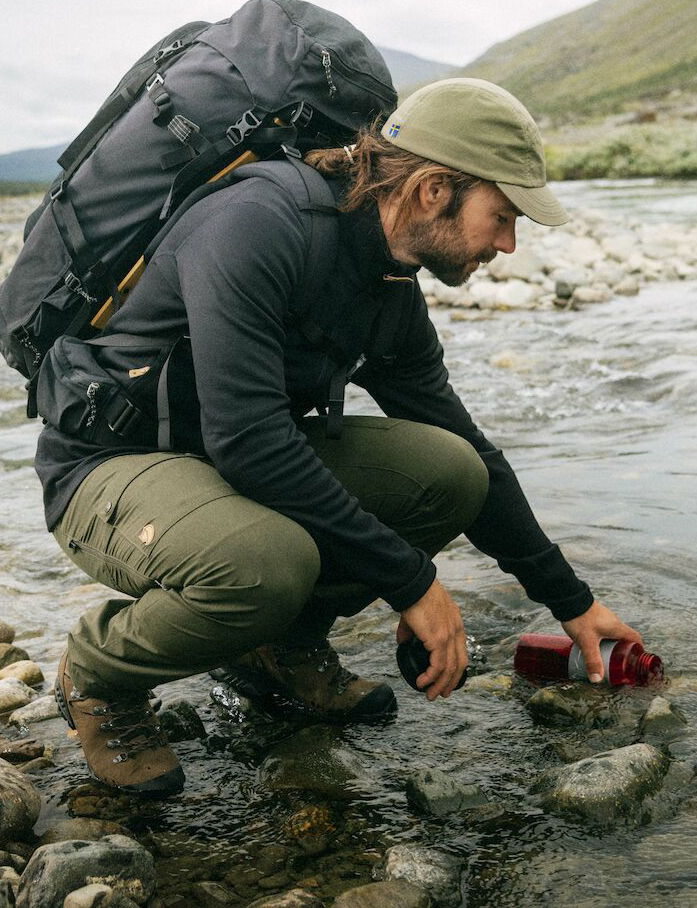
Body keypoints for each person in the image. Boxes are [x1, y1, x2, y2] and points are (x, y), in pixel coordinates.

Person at [43, 77, 641, 795]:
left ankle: (280, 648)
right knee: (265, 562)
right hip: (113, 466)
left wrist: (571, 602)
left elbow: (469, 446)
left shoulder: (390, 286)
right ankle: (100, 671)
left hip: (227, 470)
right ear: (433, 190)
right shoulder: (260, 223)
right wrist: (413, 583)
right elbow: (251, 442)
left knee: (450, 474)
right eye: (503, 215)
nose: (508, 244)